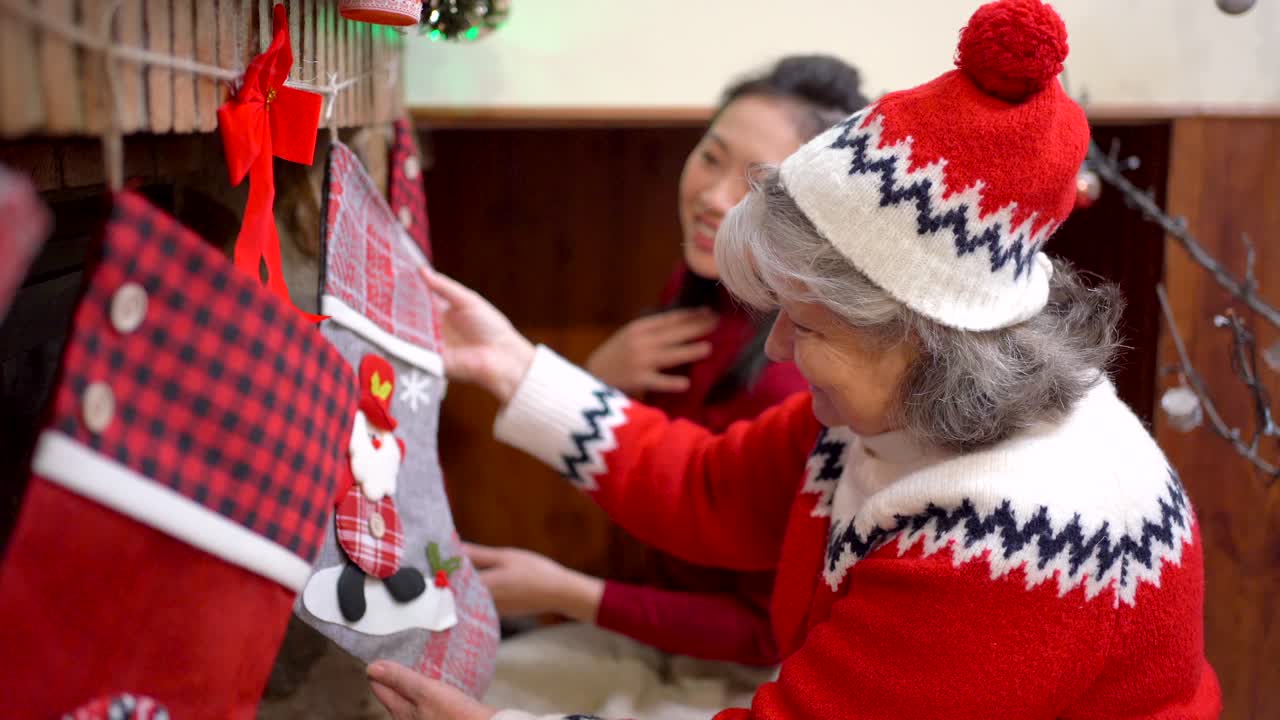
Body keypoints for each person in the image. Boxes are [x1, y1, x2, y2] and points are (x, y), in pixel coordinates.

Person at [368, 1, 1221, 718]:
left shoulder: (1013, 543)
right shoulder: (884, 412)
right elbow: (707, 486)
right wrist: (514, 365)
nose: (775, 348)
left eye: (804, 328)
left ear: (922, 336)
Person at [466, 54, 869, 715]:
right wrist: (596, 379)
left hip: (752, 676)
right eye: (710, 157)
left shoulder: (799, 375)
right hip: (656, 642)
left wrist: (567, 593)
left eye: (756, 184)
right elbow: (656, 485)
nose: (714, 196)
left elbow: (764, 627)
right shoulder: (700, 296)